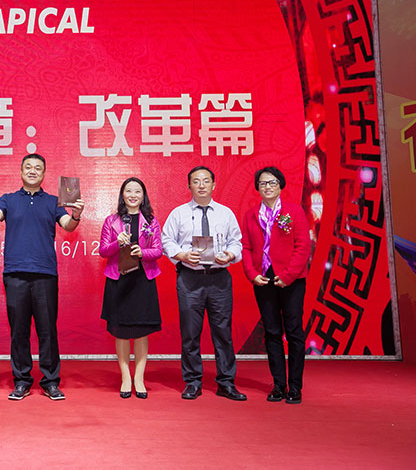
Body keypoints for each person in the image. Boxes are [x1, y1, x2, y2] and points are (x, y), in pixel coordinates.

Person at [0, 153, 84, 401]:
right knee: (18, 331)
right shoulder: (8, 199)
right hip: (15, 274)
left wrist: (76, 214)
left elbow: (68, 225)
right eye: (28, 167)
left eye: (37, 168)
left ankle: (50, 381)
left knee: (47, 330)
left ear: (43, 174)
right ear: (21, 171)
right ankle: (21, 381)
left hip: (45, 274)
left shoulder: (53, 201)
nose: (32, 171)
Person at [161, 166, 246, 401]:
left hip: (219, 278)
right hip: (190, 278)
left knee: (223, 332)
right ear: (189, 185)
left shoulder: (225, 213)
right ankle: (192, 382)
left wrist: (230, 255)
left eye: (206, 181)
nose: (201, 185)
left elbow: (236, 242)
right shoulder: (178, 213)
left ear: (213, 185)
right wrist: (182, 255)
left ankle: (226, 382)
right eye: (196, 181)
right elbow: (166, 240)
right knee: (190, 333)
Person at [240, 166, 309, 404]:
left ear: (280, 185)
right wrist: (252, 274)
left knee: (294, 331)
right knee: (272, 332)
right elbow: (246, 248)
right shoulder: (250, 215)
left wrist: (288, 276)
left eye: (272, 182)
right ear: (257, 188)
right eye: (262, 183)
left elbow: (303, 246)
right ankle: (279, 385)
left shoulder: (294, 211)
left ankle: (295, 387)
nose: (267, 187)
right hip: (263, 279)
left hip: (291, 280)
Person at [98, 177, 162, 399]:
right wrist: (118, 243)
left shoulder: (151, 221)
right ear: (122, 195)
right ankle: (126, 377)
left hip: (143, 279)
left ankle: (139, 379)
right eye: (129, 191)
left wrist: (142, 253)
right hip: (119, 280)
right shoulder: (111, 221)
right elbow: (103, 251)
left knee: (142, 332)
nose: (133, 195)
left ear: (143, 196)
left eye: (137, 191)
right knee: (121, 331)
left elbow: (158, 250)